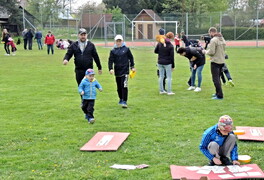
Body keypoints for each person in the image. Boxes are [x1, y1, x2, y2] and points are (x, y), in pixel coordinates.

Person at [108, 34, 135, 108]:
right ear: (115, 42)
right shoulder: (113, 51)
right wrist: (110, 68)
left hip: (125, 71)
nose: (118, 42)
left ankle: (125, 101)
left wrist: (132, 66)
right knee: (119, 86)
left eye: (120, 41)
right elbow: (110, 61)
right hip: (117, 71)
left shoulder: (126, 49)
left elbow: (131, 58)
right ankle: (121, 98)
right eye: (117, 41)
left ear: (122, 41)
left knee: (124, 86)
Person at [203, 27, 226, 100]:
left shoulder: (213, 40)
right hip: (222, 60)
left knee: (215, 79)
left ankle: (220, 95)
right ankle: (217, 93)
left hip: (215, 61)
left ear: (211, 32)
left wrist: (205, 52)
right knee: (218, 78)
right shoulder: (222, 39)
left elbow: (212, 52)